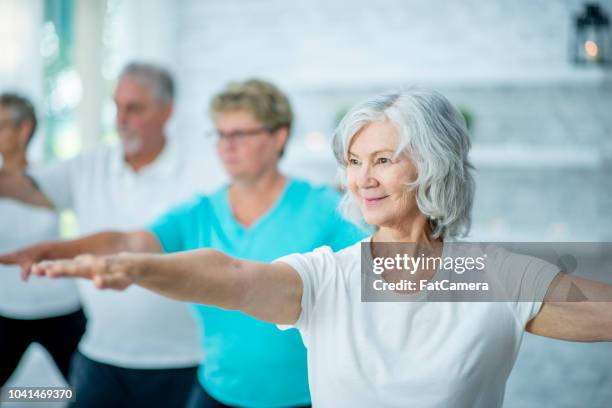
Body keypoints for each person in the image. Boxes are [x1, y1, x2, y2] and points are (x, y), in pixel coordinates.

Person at [20, 87, 612, 407]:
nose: (363, 178)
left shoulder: (492, 276)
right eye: (354, 162)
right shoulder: (329, 278)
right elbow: (231, 275)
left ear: (434, 165)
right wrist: (133, 267)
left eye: (383, 159)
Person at [1, 79, 366, 407]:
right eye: (221, 135)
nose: (227, 146)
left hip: (300, 396)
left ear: (279, 137)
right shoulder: (200, 212)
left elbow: (383, 278)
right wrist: (55, 249)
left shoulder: (323, 208)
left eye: (240, 134)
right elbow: (130, 239)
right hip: (215, 391)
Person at [0, 63, 214, 407]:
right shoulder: (90, 165)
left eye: (135, 108)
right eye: (117, 106)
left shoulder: (204, 170)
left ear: (167, 111)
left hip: (182, 360)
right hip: (102, 355)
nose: (121, 119)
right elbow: (26, 188)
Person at [0, 93, 85, 386]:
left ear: (23, 130)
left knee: (87, 392)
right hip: (7, 309)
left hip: (60, 306)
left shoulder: (52, 177)